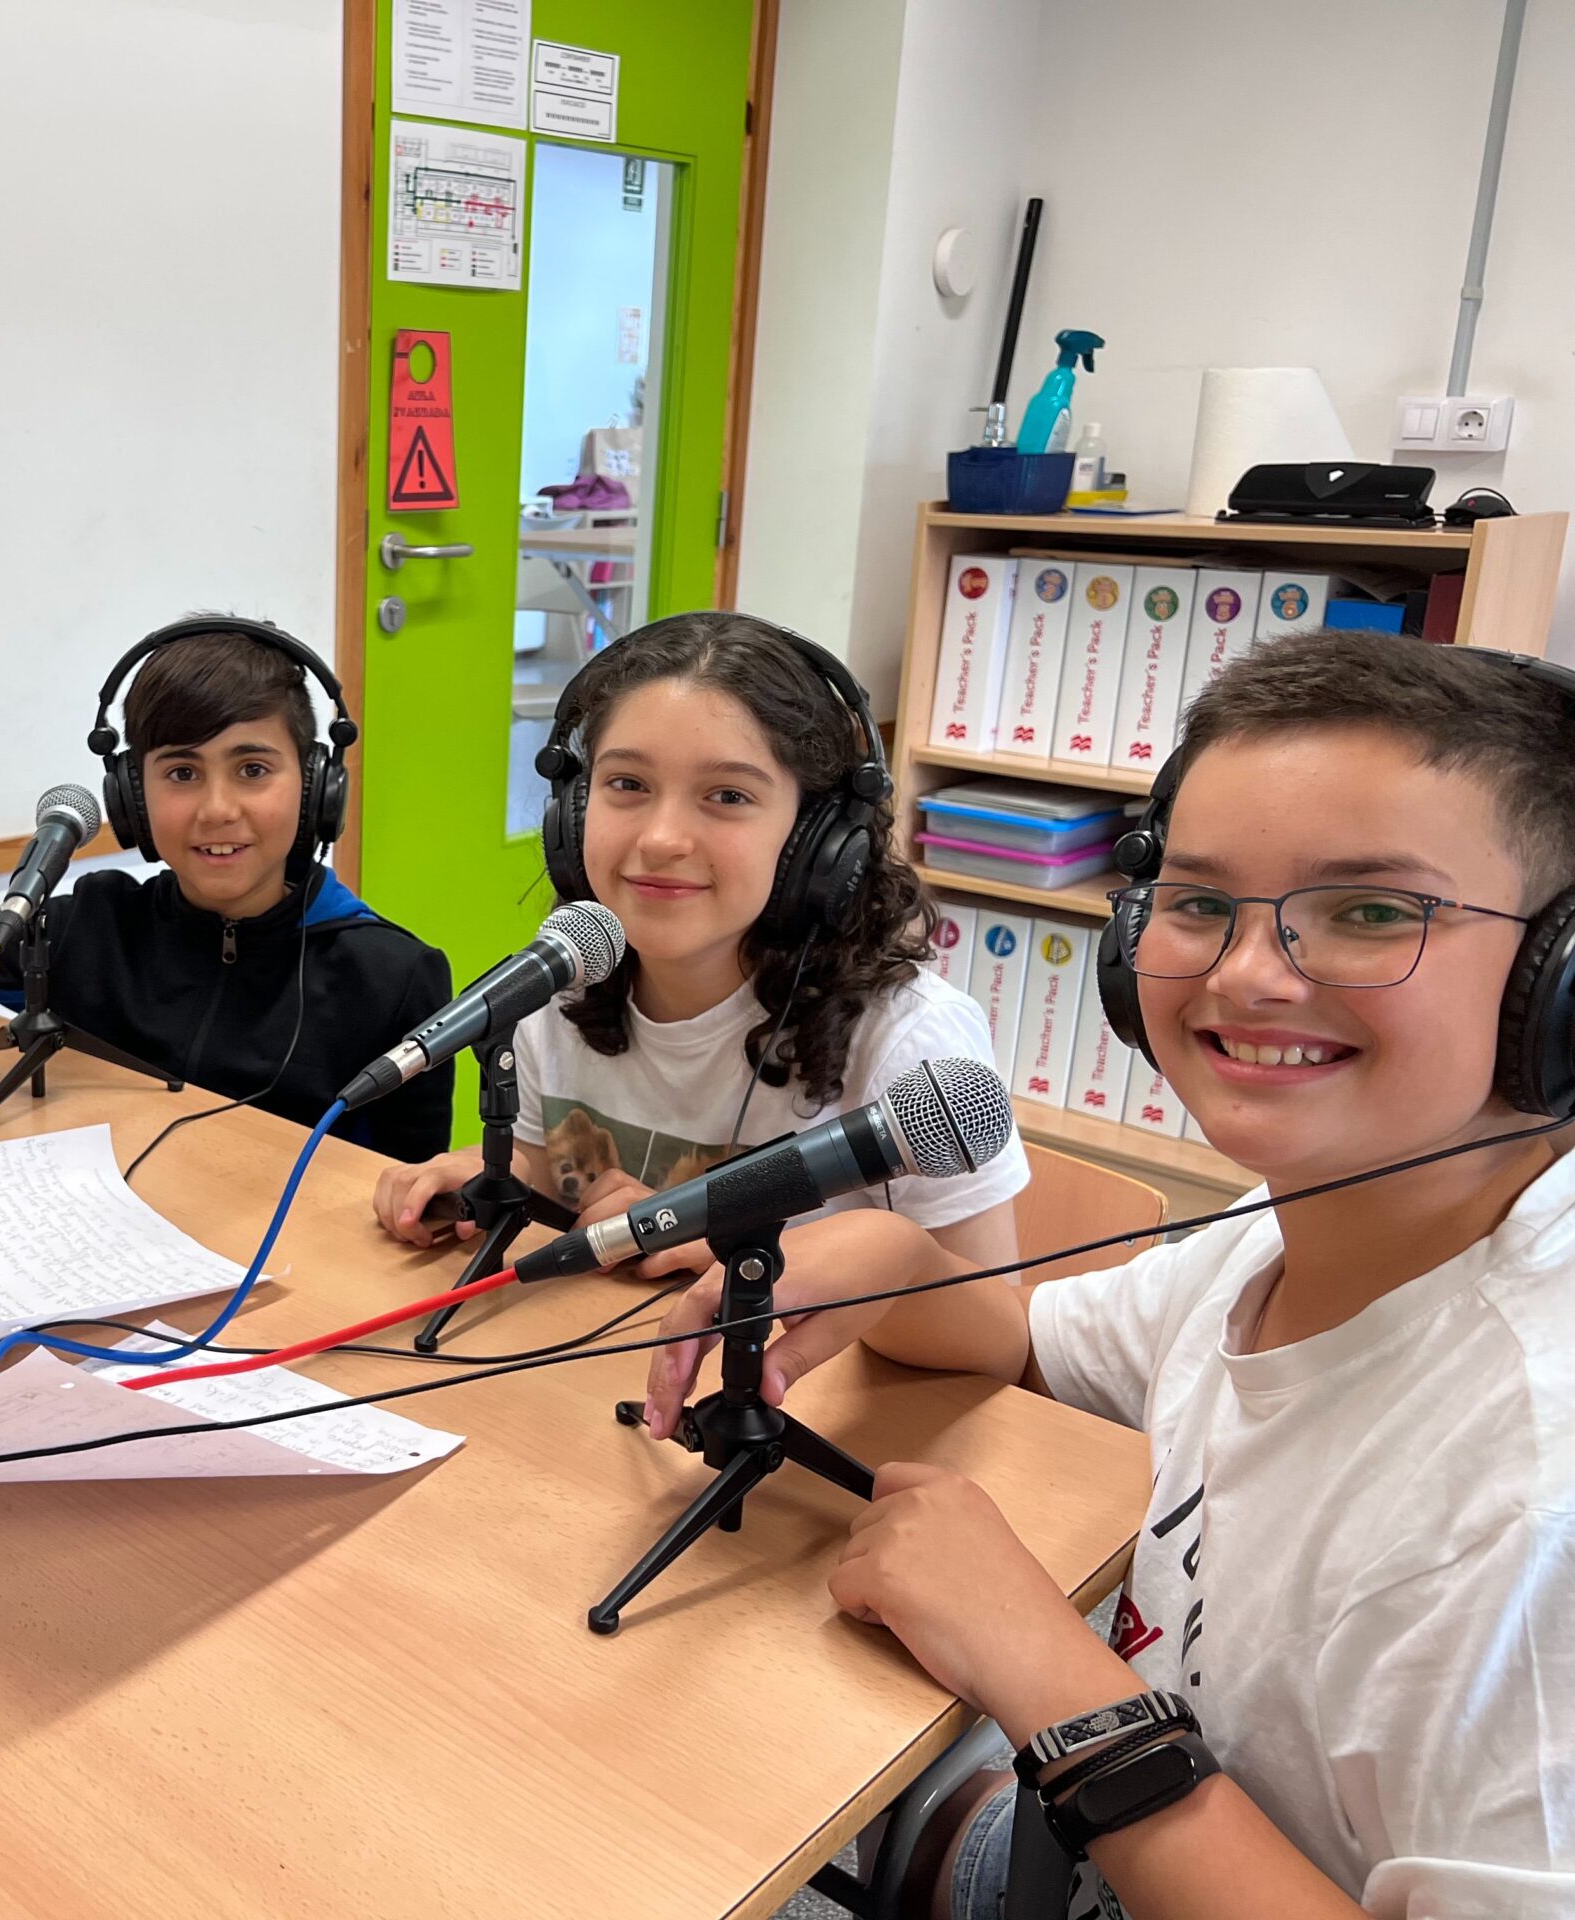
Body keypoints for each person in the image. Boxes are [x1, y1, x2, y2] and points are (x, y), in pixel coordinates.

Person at [638, 631, 1575, 1917]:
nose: (1246, 974)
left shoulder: (1528, 1497)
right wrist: (891, 1260)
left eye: (1369, 912)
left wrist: (1047, 1671)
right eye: (1197, 904)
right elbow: (1035, 1349)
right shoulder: (1283, 1234)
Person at [371, 610, 1026, 1264]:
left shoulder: (909, 1044)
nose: (661, 840)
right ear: (572, 813)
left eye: (728, 796)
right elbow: (550, 1168)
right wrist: (489, 1173)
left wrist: (746, 1259)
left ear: (819, 842)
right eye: (627, 784)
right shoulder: (562, 990)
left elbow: (991, 1316)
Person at [0, 617, 457, 1159]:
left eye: (253, 769)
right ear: (131, 798)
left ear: (318, 787)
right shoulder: (94, 927)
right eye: (181, 773)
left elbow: (412, 1195)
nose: (217, 809)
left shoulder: (392, 978)